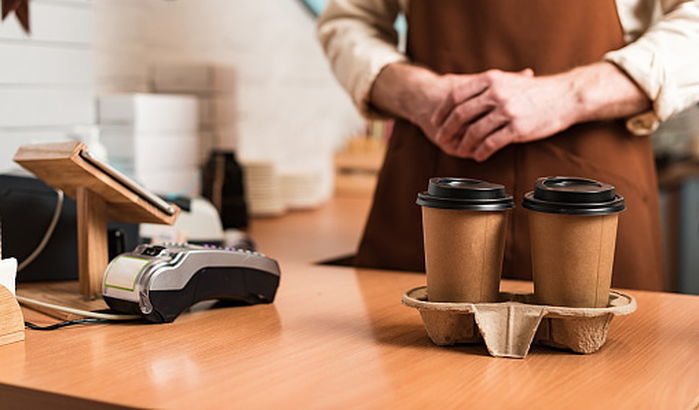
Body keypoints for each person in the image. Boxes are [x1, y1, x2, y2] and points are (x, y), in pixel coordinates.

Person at [317, 0, 699, 291]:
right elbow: (348, 21)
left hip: (590, 202)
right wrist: (414, 93)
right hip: (430, 194)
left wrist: (569, 95)